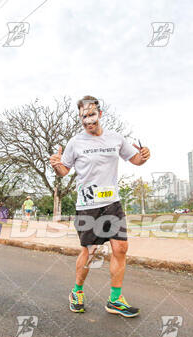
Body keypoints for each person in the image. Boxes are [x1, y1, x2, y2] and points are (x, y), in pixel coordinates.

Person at [49, 95, 150, 318]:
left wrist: (144, 156)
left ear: (100, 114)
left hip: (111, 203)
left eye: (92, 115)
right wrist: (57, 166)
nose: (88, 120)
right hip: (88, 205)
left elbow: (135, 160)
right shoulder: (75, 142)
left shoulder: (115, 138)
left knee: (120, 249)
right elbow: (64, 171)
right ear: (80, 117)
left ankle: (115, 300)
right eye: (84, 116)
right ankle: (76, 292)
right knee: (91, 252)